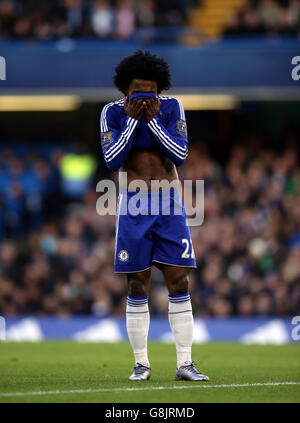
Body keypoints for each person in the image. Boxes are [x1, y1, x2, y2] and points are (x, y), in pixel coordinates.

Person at [100, 50, 209, 382]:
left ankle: (185, 364)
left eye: (151, 93)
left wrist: (153, 122)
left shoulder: (172, 108)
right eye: (138, 94)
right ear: (126, 91)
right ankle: (141, 365)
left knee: (180, 280)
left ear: (159, 89)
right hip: (134, 204)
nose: (146, 99)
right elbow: (112, 160)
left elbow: (179, 153)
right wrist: (134, 121)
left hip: (168, 203)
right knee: (137, 282)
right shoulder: (112, 113)